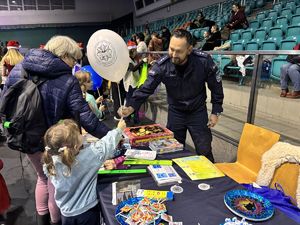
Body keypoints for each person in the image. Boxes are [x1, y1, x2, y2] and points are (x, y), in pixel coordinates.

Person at [1, 35, 110, 225]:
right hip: (52, 139)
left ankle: (43, 219)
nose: (74, 64)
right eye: (74, 59)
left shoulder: (21, 68)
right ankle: (55, 220)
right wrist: (112, 136)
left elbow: (5, 99)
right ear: (64, 55)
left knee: (42, 178)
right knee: (55, 181)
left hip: (23, 135)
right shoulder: (68, 80)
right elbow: (86, 117)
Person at [119, 29, 224, 162]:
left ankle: (212, 180)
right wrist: (130, 107)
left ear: (189, 49)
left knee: (204, 149)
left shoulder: (203, 61)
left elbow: (216, 86)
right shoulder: (163, 65)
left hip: (197, 112)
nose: (173, 54)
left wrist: (216, 111)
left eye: (179, 51)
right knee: (173, 150)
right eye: (171, 49)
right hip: (176, 112)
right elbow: (146, 88)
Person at [42, 118, 126, 225]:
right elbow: (106, 144)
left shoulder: (49, 161)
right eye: (79, 134)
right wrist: (119, 129)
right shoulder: (90, 155)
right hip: (87, 212)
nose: (82, 135)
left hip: (66, 213)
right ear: (76, 146)